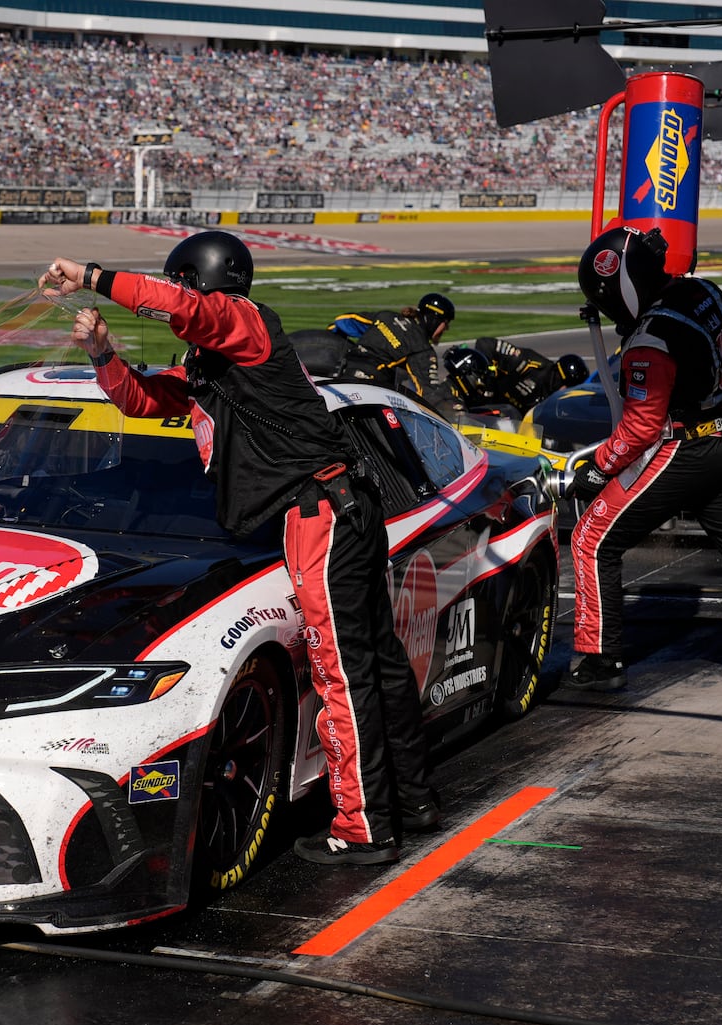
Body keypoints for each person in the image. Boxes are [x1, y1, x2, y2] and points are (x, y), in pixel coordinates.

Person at [41, 230, 437, 866]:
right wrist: (102, 352)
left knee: (344, 672)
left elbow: (187, 310)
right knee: (378, 663)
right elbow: (145, 398)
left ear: (201, 281)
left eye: (184, 284)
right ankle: (412, 800)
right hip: (341, 508)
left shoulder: (244, 322)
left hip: (323, 515)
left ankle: (364, 826)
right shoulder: (218, 362)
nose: (179, 302)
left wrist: (92, 276)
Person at [567, 225, 722, 690]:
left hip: (688, 450)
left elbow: (639, 429)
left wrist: (596, 469)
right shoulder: (706, 290)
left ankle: (600, 660)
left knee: (590, 538)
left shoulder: (651, 340)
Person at [332, 293, 462, 418]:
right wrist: (454, 405)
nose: (446, 329)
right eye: (446, 323)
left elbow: (341, 321)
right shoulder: (422, 349)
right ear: (434, 319)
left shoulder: (386, 317)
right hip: (368, 392)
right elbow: (428, 395)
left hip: (338, 373)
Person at [443, 339, 588, 415]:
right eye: (568, 389)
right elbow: (485, 344)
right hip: (480, 400)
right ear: (561, 380)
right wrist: (487, 380)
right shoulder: (529, 363)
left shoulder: (554, 402)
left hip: (504, 419)